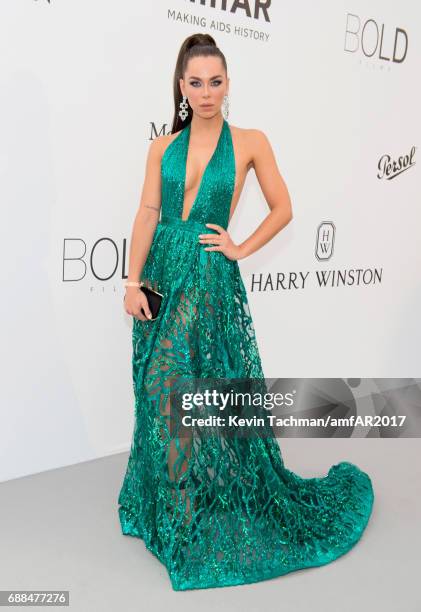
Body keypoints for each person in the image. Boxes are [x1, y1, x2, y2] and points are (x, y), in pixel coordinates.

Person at [118, 32, 374, 591]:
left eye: (215, 81)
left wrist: (238, 246)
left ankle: (186, 520)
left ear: (227, 84)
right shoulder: (162, 147)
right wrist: (131, 280)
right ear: (181, 86)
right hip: (162, 271)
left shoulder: (252, 141)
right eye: (195, 82)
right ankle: (170, 505)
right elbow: (145, 213)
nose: (205, 92)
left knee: (179, 388)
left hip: (208, 279)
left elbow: (283, 208)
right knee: (158, 389)